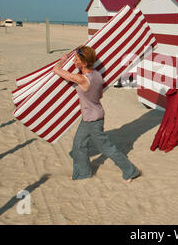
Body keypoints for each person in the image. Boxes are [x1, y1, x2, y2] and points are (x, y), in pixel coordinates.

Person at [52, 45, 141, 182]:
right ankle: (83, 173)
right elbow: (100, 95)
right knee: (78, 145)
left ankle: (130, 171)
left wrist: (62, 60)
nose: (74, 62)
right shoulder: (97, 75)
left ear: (85, 62)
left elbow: (56, 70)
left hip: (93, 120)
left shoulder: (81, 79)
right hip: (92, 116)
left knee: (106, 148)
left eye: (77, 59)